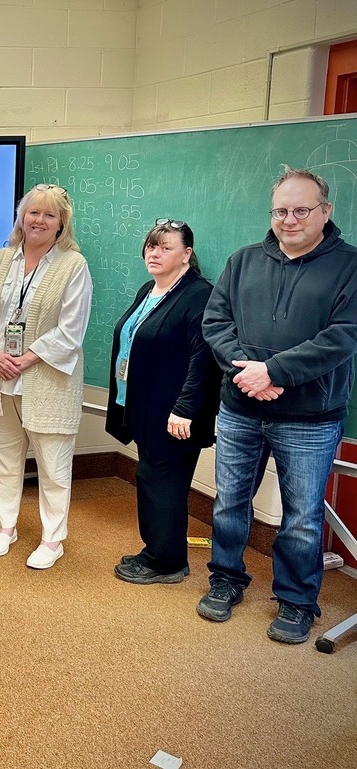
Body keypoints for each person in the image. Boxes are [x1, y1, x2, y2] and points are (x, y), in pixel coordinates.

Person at [199, 166, 357, 644]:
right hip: (241, 408)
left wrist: (274, 373)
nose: (289, 219)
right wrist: (249, 373)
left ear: (325, 212)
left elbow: (343, 336)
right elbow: (215, 321)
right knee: (229, 503)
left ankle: (296, 602)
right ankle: (226, 580)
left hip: (310, 418)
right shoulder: (243, 260)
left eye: (301, 210)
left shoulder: (350, 265)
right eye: (281, 211)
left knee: (302, 517)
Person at [0, 184, 93, 569]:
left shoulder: (73, 265)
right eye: (33, 212)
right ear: (21, 217)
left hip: (48, 380)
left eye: (49, 215)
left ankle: (53, 539)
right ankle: (7, 525)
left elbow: (72, 329)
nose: (39, 220)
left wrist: (27, 359)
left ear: (60, 224)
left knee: (53, 463)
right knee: (1, 456)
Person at [105, 220, 221, 584]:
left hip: (175, 414)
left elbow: (204, 359)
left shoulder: (199, 295)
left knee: (164, 483)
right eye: (151, 247)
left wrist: (185, 408)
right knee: (152, 478)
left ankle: (167, 562)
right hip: (143, 406)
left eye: (165, 247)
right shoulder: (149, 289)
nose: (154, 254)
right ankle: (156, 551)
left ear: (187, 254)